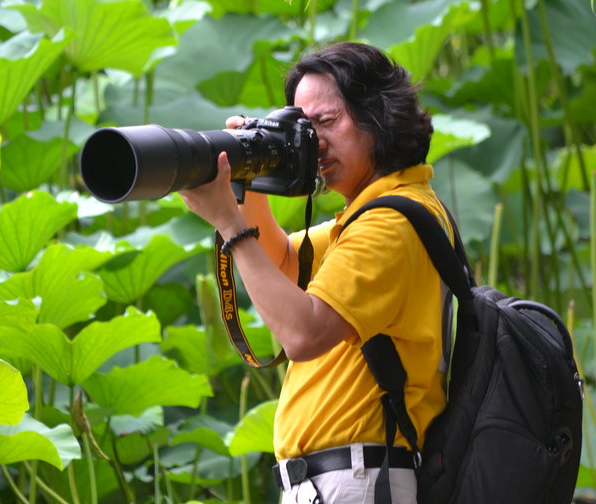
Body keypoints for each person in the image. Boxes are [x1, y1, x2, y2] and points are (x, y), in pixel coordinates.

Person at [179, 42, 451, 504]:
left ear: (379, 118)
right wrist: (250, 180)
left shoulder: (390, 223)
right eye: (304, 128)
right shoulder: (372, 214)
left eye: (327, 122)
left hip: (358, 478)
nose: (314, 142)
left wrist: (228, 222)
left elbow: (302, 333)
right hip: (341, 480)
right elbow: (285, 265)